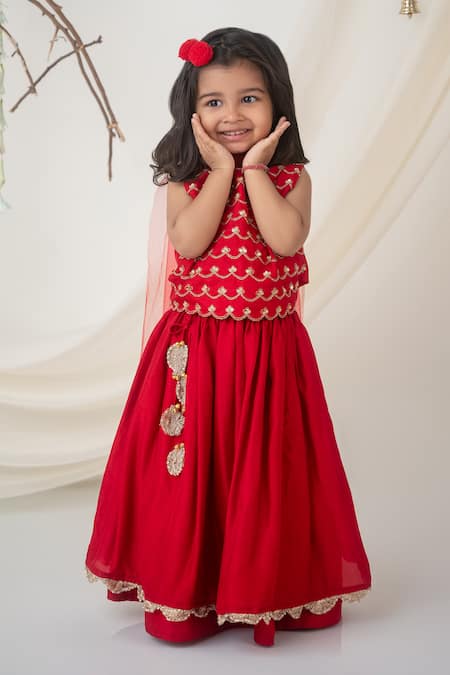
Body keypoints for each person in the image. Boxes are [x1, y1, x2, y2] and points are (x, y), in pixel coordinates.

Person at [85, 26, 372, 648]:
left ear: (277, 104)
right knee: (196, 472)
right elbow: (188, 243)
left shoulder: (291, 177)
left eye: (249, 98)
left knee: (267, 471)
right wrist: (219, 172)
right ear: (191, 111)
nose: (232, 115)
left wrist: (255, 171)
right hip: (198, 357)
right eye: (214, 102)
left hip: (269, 357)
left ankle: (267, 588)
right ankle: (189, 593)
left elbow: (285, 240)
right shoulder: (185, 180)